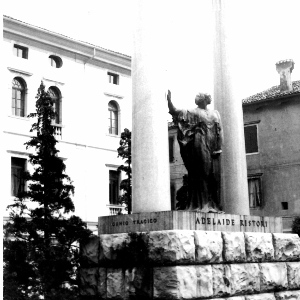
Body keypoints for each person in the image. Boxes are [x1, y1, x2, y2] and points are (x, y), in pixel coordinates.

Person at [167, 90, 223, 212]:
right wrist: (169, 101)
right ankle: (202, 204)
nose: (197, 98)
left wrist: (219, 147)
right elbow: (175, 111)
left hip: (213, 146)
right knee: (203, 171)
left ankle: (212, 204)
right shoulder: (193, 112)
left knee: (214, 175)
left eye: (199, 96)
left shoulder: (215, 113)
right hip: (200, 142)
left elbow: (220, 132)